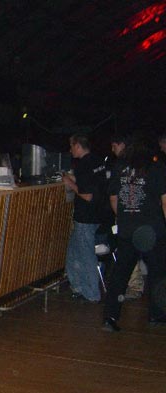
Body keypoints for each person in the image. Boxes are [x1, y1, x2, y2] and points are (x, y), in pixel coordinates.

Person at [102, 138, 166, 331]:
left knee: (120, 274)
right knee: (157, 274)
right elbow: (165, 200)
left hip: (128, 230)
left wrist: (123, 218)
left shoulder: (119, 167)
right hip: (151, 230)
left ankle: (110, 317)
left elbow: (113, 198)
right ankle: (156, 315)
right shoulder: (156, 167)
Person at [62, 134, 107, 303]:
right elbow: (89, 182)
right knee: (73, 254)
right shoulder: (97, 161)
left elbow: (87, 195)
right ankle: (79, 288)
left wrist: (70, 184)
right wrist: (71, 178)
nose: (70, 150)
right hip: (98, 215)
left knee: (86, 255)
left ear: (78, 146)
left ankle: (91, 293)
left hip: (85, 218)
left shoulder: (83, 164)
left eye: (71, 146)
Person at [108, 135, 144, 300]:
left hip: (129, 216)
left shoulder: (120, 166)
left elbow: (113, 196)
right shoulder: (142, 164)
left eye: (114, 146)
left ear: (122, 145)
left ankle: (134, 286)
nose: (113, 150)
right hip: (140, 216)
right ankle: (134, 285)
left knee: (128, 252)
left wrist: (120, 216)